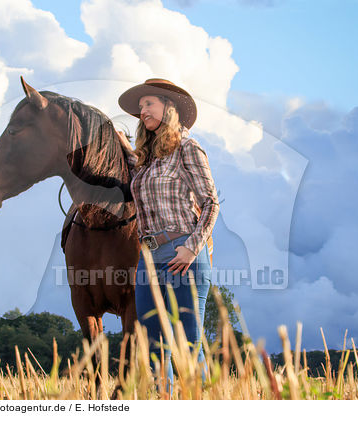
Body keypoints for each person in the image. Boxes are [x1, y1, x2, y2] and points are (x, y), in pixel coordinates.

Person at [118, 78, 220, 394]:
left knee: (186, 343)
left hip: (182, 252)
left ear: (169, 107)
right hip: (147, 259)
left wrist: (191, 247)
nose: (142, 110)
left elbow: (210, 202)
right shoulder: (146, 162)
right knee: (152, 346)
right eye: (140, 107)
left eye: (148, 103)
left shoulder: (188, 148)